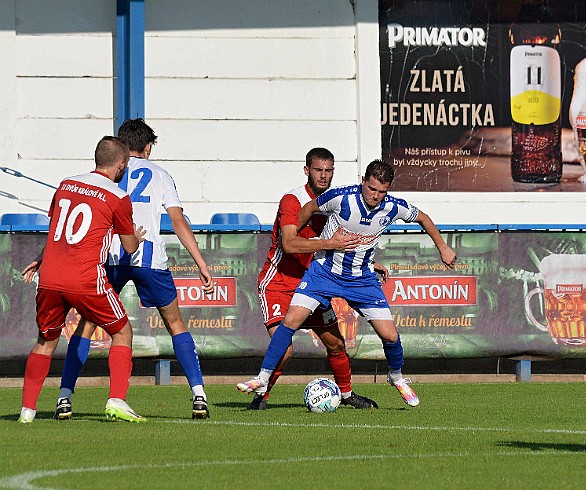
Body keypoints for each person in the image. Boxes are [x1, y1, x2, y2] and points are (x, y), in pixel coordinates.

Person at [238, 159, 457, 406]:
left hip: (361, 279)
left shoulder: (393, 207)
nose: (376, 196)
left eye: (382, 192)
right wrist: (294, 233)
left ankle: (395, 377)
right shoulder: (340, 198)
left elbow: (423, 218)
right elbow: (310, 208)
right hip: (323, 274)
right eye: (372, 189)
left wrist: (443, 247)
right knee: (290, 322)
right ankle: (262, 377)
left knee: (390, 336)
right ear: (363, 182)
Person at [54, 119, 214, 421]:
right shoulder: (162, 175)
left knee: (88, 324)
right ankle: (199, 396)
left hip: (112, 257)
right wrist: (201, 263)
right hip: (149, 259)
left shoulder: (109, 174)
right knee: (175, 323)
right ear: (148, 147)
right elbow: (178, 221)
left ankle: (64, 397)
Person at [19, 136, 147, 423]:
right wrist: (136, 237)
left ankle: (27, 411)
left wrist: (40, 260)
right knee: (122, 332)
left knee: (45, 341)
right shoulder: (118, 196)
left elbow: (56, 231)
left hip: (50, 276)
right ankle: (116, 400)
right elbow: (128, 247)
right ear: (121, 164)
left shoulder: (66, 184)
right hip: (85, 278)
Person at [241, 147, 379, 410]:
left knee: (336, 343)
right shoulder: (292, 200)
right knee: (285, 348)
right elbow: (290, 244)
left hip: (313, 284)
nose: (323, 176)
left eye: (328, 170)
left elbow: (345, 242)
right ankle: (261, 397)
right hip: (279, 283)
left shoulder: (334, 202)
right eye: (318, 170)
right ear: (307, 171)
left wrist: (371, 263)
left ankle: (347, 395)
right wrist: (331, 243)